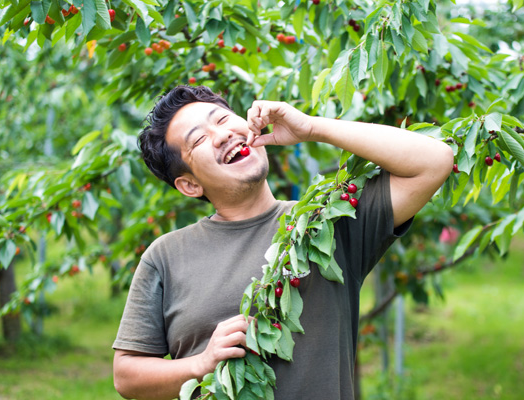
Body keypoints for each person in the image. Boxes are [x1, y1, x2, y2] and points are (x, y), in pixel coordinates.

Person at [112, 85, 453, 400]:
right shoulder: (167, 256)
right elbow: (127, 376)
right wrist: (200, 364)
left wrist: (311, 128)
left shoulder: (325, 224)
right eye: (199, 140)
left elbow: (434, 160)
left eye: (221, 119)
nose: (221, 135)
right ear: (189, 185)